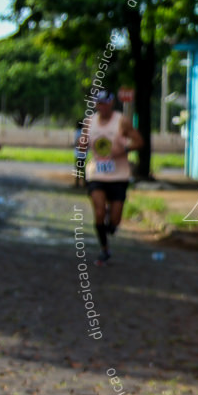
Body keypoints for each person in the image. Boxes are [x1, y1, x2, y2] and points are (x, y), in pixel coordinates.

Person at [78, 90, 142, 265]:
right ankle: (104, 249)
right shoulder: (89, 122)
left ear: (111, 104)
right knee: (98, 212)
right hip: (96, 173)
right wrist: (81, 146)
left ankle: (110, 225)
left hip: (119, 175)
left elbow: (139, 142)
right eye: (99, 103)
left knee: (114, 221)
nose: (102, 107)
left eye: (105, 103)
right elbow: (82, 144)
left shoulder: (122, 121)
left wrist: (124, 149)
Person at [73, 118, 87, 187]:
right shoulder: (84, 132)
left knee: (78, 169)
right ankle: (84, 183)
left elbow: (77, 142)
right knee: (82, 169)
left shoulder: (78, 132)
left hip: (79, 153)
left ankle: (77, 183)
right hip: (84, 153)